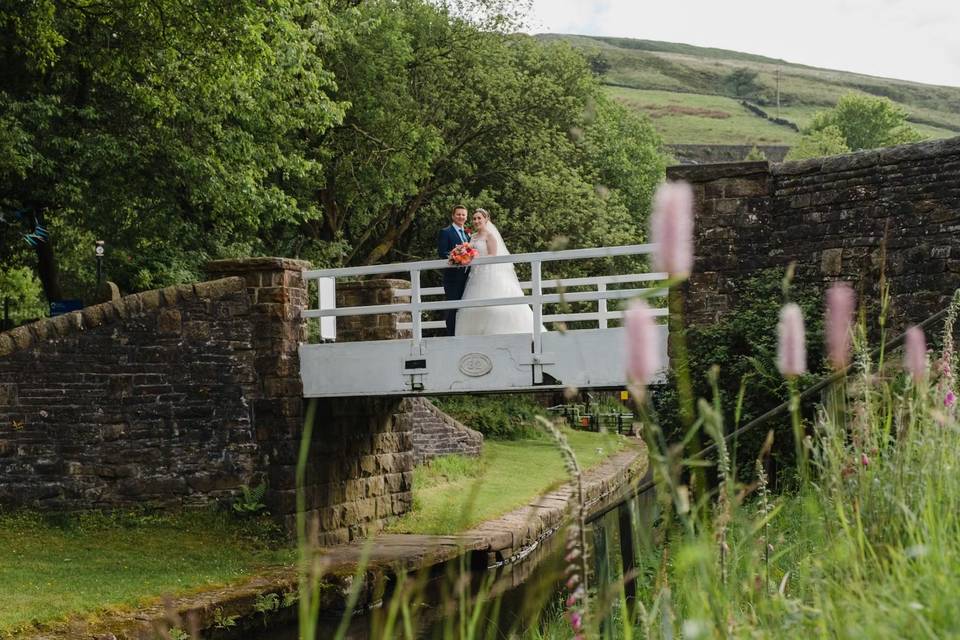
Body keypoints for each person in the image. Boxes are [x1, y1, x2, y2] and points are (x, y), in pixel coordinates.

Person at [455, 208, 544, 336]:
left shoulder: (490, 236)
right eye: (474, 218)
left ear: (486, 219)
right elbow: (468, 251)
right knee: (473, 304)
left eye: (479, 218)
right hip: (475, 275)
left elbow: (493, 255)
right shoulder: (472, 237)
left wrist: (475, 257)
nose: (476, 221)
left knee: (492, 303)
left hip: (488, 273)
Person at [437, 204, 471, 335]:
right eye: (458, 214)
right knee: (453, 307)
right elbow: (442, 252)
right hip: (452, 277)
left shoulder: (467, 234)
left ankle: (462, 333)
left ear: (466, 217)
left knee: (465, 308)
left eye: (463, 215)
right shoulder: (446, 232)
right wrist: (456, 256)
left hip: (467, 277)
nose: (461, 217)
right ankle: (451, 335)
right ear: (453, 216)